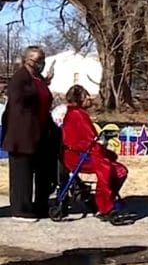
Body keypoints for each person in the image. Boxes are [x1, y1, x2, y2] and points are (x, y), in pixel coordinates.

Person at [0, 46, 58, 222]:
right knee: (22, 173)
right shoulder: (20, 78)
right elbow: (17, 102)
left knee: (43, 170)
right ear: (28, 60)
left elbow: (42, 95)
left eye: (43, 59)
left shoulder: (37, 78)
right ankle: (20, 209)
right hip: (22, 133)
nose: (41, 62)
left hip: (40, 132)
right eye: (38, 59)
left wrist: (45, 81)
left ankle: (40, 205)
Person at [61, 84, 129, 222]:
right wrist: (103, 151)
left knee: (120, 170)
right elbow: (87, 141)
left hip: (85, 153)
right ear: (79, 99)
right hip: (79, 156)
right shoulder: (76, 115)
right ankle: (104, 207)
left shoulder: (78, 114)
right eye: (86, 97)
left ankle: (104, 200)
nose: (89, 99)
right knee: (107, 169)